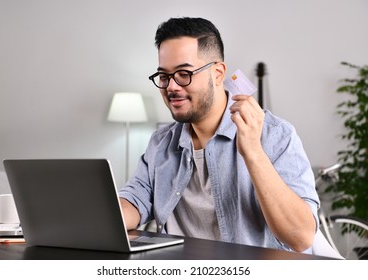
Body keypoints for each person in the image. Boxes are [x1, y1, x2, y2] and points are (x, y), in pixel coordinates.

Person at [119, 17, 320, 253]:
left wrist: (253, 153)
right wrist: (94, 216)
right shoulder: (161, 142)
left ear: (217, 73)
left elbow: (301, 238)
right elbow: (135, 200)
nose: (171, 87)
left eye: (183, 73)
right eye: (164, 76)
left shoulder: (276, 135)